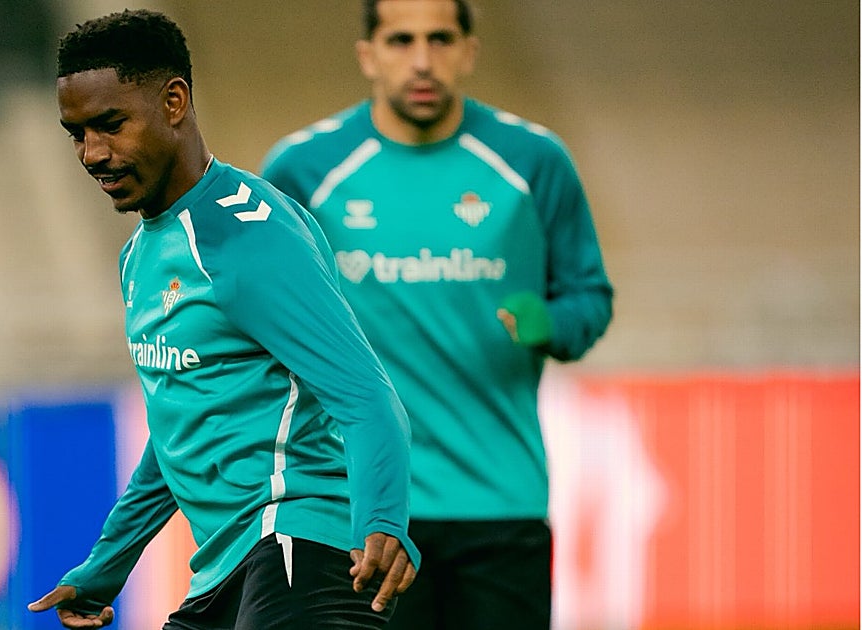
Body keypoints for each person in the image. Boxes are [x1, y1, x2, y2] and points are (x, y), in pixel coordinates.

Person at [27, 9, 419, 630]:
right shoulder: (139, 256)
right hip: (227, 568)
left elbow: (366, 396)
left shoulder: (248, 235)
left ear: (174, 102)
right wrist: (106, 565)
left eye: (111, 125)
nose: (93, 153)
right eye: (77, 133)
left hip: (300, 549)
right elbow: (181, 427)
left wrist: (382, 524)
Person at [260, 1, 615, 628]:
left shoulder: (533, 161)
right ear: (368, 55)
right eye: (401, 41)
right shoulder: (303, 170)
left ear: (469, 51)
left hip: (500, 506)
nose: (422, 61)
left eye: (441, 39)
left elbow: (589, 295)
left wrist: (553, 324)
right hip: (364, 510)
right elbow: (264, 317)